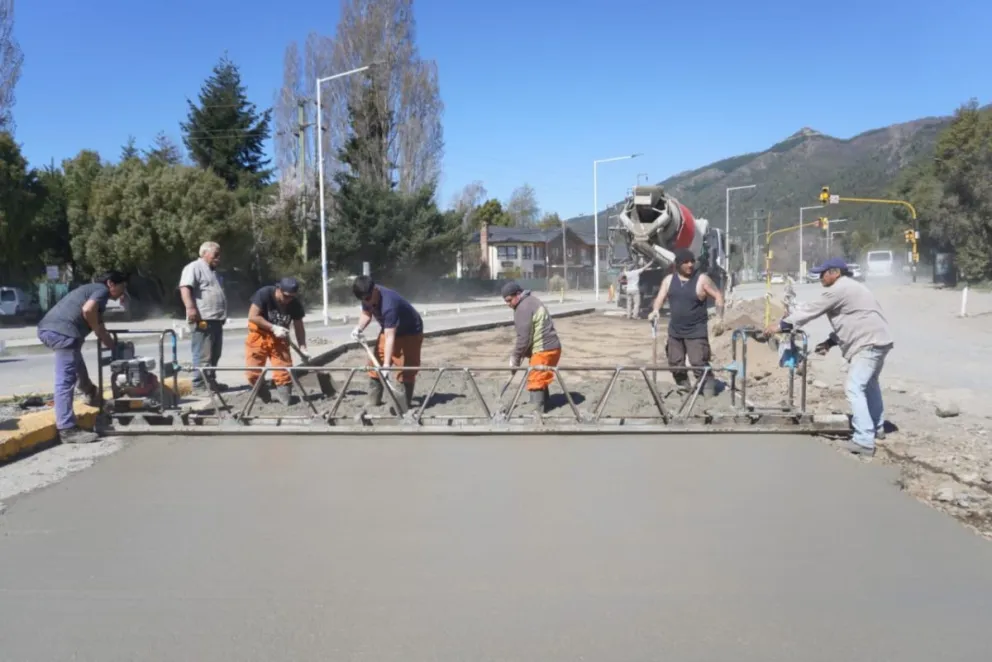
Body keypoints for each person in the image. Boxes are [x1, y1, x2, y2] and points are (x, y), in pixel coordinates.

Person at [764, 257, 893, 457]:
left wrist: (781, 325)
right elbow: (853, 319)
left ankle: (864, 440)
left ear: (836, 273)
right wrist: (830, 342)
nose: (820, 278)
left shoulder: (838, 289)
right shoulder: (853, 288)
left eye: (823, 274)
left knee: (854, 387)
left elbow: (811, 310)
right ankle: (877, 427)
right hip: (879, 339)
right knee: (870, 384)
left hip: (867, 342)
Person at [35, 271, 128, 444]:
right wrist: (95, 328)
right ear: (111, 283)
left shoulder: (91, 291)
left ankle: (93, 396)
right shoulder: (101, 290)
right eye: (122, 286)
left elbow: (100, 328)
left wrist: (116, 349)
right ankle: (67, 429)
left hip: (50, 329)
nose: (124, 290)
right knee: (65, 380)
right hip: (64, 332)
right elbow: (88, 310)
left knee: (77, 366)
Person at [648, 248, 724, 395]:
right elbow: (660, 297)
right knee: (675, 363)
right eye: (686, 262)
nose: (690, 265)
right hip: (675, 330)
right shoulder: (669, 280)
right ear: (678, 264)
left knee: (698, 362)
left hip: (696, 330)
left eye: (692, 262)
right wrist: (655, 310)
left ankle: (708, 384)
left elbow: (718, 296)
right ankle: (684, 386)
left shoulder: (701, 280)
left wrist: (719, 318)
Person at [351, 276, 424, 411]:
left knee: (406, 366)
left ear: (375, 289)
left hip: (411, 331)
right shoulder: (366, 295)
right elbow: (366, 313)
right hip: (389, 328)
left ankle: (403, 402)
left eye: (368, 298)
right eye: (363, 300)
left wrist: (386, 366)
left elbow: (390, 337)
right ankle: (374, 398)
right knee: (377, 360)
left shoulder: (389, 304)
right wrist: (359, 328)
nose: (367, 301)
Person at [245, 277, 308, 405]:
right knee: (252, 373)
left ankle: (285, 400)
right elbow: (253, 316)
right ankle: (265, 397)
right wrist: (273, 327)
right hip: (259, 336)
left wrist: (303, 347)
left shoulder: (294, 304)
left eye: (292, 297)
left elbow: (299, 326)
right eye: (286, 296)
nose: (288, 300)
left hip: (280, 339)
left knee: (284, 373)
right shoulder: (265, 293)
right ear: (278, 289)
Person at [502, 281, 562, 413]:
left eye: (509, 300)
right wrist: (524, 353)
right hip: (552, 347)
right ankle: (545, 402)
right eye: (505, 301)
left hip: (544, 349)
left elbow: (524, 338)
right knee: (539, 374)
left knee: (536, 378)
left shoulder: (523, 307)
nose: (508, 304)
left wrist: (515, 358)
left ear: (518, 294)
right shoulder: (530, 301)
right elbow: (530, 335)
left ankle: (537, 411)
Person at [179, 241, 228, 392]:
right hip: (202, 318)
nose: (218, 258)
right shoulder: (194, 267)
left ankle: (210, 382)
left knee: (215, 354)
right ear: (204, 253)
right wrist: (190, 308)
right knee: (203, 353)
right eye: (215, 255)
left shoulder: (213, 272)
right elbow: (185, 288)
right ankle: (200, 384)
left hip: (216, 319)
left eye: (219, 255)